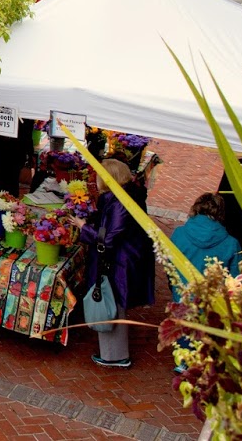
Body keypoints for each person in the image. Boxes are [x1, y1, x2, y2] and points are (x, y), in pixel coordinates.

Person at [69, 158, 155, 369]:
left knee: (110, 303)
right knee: (113, 301)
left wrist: (83, 227)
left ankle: (114, 356)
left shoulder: (119, 202)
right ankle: (113, 353)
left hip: (119, 262)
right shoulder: (124, 195)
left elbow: (108, 238)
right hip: (124, 258)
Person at [169, 193, 241, 301]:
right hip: (214, 306)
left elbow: (169, 268)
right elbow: (235, 280)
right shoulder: (232, 244)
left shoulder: (178, 234)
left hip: (182, 299)